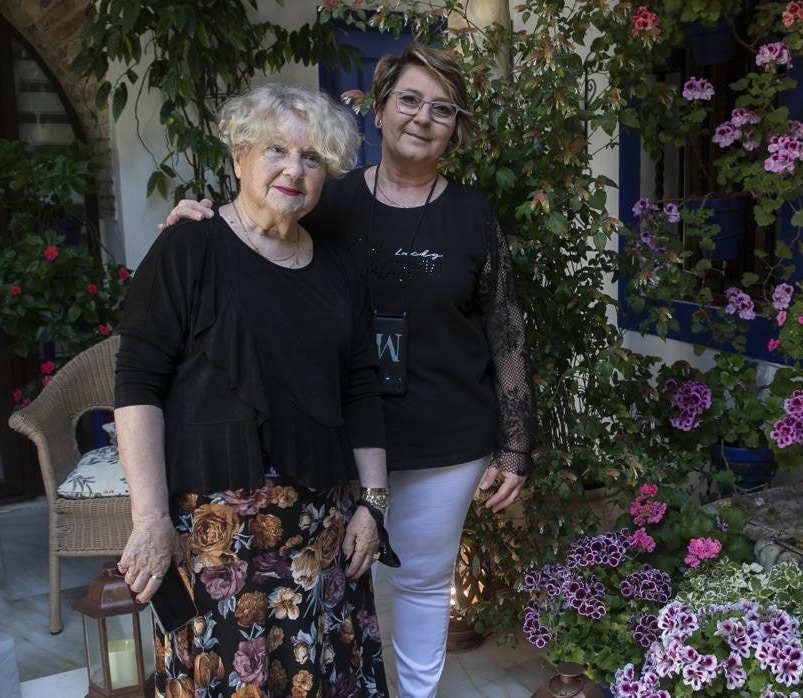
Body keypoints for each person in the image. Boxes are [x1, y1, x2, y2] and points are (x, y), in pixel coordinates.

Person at [161, 45, 536, 698]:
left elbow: (505, 328)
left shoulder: (472, 214)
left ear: (455, 126)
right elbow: (259, 235)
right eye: (409, 100)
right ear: (380, 108)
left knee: (419, 582)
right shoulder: (330, 200)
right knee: (329, 590)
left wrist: (516, 444)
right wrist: (196, 222)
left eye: (442, 108)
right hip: (336, 438)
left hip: (444, 438)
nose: (423, 117)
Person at [115, 83, 390, 697]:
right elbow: (137, 384)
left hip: (318, 526)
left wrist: (373, 504)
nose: (294, 169)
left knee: (318, 670)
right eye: (276, 150)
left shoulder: (339, 265)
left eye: (313, 157)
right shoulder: (190, 245)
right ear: (239, 156)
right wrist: (151, 518)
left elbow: (361, 387)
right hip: (214, 534)